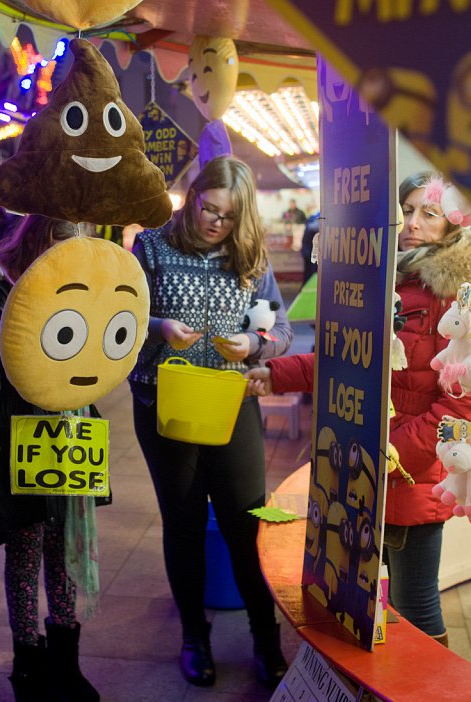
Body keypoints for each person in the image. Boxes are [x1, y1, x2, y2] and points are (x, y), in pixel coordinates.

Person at [246, 172, 471, 645]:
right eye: (406, 211)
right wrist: (277, 374)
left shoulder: (462, 299)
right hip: (362, 477)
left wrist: (383, 455)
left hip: (410, 481)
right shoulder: (384, 281)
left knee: (416, 611)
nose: (413, 223)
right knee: (361, 602)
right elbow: (347, 355)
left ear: (452, 224)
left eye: (428, 213)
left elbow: (460, 414)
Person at [127, 156, 294, 689]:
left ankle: (264, 638)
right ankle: (194, 638)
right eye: (208, 208)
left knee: (246, 521)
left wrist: (253, 344)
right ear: (193, 195)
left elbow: (280, 329)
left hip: (230, 402)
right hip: (164, 403)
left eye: (227, 216)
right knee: (183, 523)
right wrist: (158, 327)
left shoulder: (249, 255)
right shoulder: (152, 246)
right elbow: (122, 317)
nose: (215, 222)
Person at [0, 215, 101, 702]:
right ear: (43, 240)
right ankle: (28, 666)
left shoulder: (82, 277)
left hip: (70, 429)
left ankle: (66, 664)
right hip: (19, 430)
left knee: (63, 546)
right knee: (25, 551)